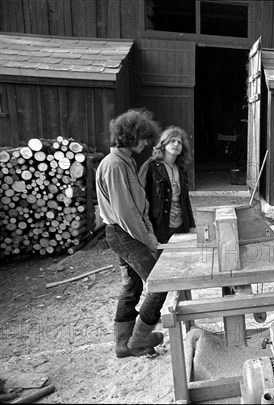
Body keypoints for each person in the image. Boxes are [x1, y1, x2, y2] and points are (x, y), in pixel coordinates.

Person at [96, 108, 167, 358]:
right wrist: (148, 240)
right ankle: (138, 340)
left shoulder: (126, 162)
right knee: (160, 282)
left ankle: (122, 343)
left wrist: (149, 232)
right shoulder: (115, 165)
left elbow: (140, 206)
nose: (147, 143)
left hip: (124, 232)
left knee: (131, 286)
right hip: (124, 234)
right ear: (131, 136)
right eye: (145, 137)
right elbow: (126, 213)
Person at [139, 126, 196, 244]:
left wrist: (191, 224)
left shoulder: (181, 168)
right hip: (160, 226)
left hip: (181, 225)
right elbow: (141, 199)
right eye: (172, 140)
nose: (176, 144)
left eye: (180, 142)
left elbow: (185, 200)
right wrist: (146, 231)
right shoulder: (151, 166)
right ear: (163, 144)